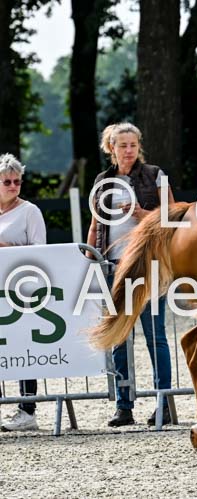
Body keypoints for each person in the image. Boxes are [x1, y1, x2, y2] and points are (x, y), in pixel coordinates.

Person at [86, 122, 175, 427]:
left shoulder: (155, 174)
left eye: (133, 145)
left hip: (149, 264)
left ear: (139, 147)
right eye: (122, 145)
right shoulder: (102, 181)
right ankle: (124, 405)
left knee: (155, 335)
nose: (128, 151)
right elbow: (96, 225)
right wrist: (90, 259)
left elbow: (173, 216)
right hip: (113, 266)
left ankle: (164, 402)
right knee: (119, 336)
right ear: (111, 148)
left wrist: (141, 214)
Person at [0, 153, 46, 431]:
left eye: (17, 181)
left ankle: (27, 409)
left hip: (20, 288)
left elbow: (41, 250)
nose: (13, 186)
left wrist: (7, 249)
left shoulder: (30, 211)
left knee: (23, 344)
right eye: (7, 181)